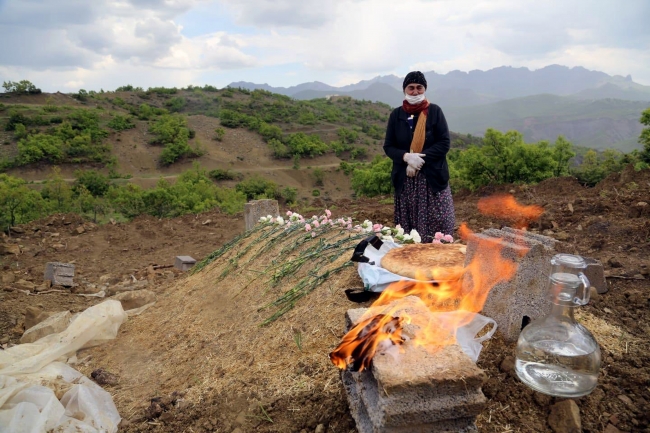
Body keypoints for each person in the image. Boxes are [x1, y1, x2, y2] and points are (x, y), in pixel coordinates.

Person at [383, 71, 455, 243]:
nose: (415, 91)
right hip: (406, 180)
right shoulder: (396, 115)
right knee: (409, 227)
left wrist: (419, 159)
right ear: (404, 90)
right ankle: (412, 258)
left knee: (439, 223)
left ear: (424, 89)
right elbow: (388, 146)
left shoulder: (434, 112)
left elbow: (444, 142)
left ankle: (437, 254)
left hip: (431, 180)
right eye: (411, 87)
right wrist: (406, 157)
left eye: (419, 87)